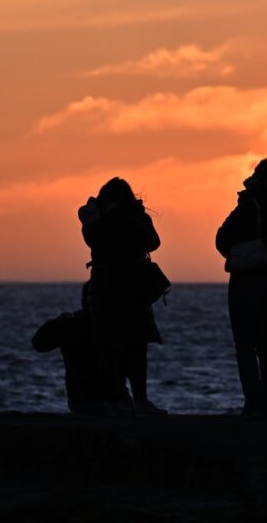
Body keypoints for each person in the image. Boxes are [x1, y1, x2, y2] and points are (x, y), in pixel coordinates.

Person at [216, 157, 267, 420]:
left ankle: (253, 404)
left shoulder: (250, 205)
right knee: (266, 342)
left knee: (245, 344)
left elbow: (222, 238)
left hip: (246, 278)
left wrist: (238, 251)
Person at [78, 177, 163, 416]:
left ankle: (116, 401)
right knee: (133, 348)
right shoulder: (129, 218)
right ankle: (136, 400)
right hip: (130, 290)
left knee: (111, 348)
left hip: (108, 289)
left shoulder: (100, 220)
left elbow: (93, 237)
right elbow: (152, 242)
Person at [31, 282, 99, 415]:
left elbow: (38, 343)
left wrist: (57, 322)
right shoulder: (115, 326)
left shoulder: (70, 324)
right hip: (109, 399)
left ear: (83, 301)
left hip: (80, 399)